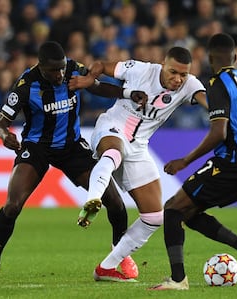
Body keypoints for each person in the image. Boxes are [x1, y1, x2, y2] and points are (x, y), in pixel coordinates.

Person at [0, 41, 147, 286]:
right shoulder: (25, 85)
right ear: (41, 67)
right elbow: (1, 123)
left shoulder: (73, 70)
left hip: (72, 146)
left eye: (62, 68)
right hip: (37, 148)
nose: (60, 75)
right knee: (12, 206)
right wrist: (6, 137)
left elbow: (96, 87)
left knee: (115, 200)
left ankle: (120, 255)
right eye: (53, 70)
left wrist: (127, 93)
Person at [68, 46, 208, 281]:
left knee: (154, 217)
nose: (178, 79)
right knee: (113, 151)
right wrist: (89, 79)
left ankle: (107, 267)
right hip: (112, 128)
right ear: (163, 65)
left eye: (183, 74)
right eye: (173, 72)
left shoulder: (190, 85)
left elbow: (211, 104)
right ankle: (93, 199)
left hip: (139, 148)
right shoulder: (141, 70)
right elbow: (102, 65)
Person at [148, 33, 237, 290]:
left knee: (172, 209)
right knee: (189, 213)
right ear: (235, 58)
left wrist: (185, 160)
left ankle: (178, 280)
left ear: (209, 59)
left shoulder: (217, 82)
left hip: (233, 163)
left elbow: (219, 133)